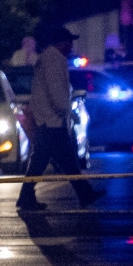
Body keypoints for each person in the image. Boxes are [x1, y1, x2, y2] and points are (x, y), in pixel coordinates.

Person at [16, 26, 105, 211]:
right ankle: (27, 197)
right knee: (52, 161)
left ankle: (83, 194)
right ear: (62, 43)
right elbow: (56, 89)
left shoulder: (49, 58)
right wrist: (67, 110)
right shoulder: (54, 60)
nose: (71, 46)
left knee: (60, 160)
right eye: (69, 42)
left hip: (48, 119)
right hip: (51, 120)